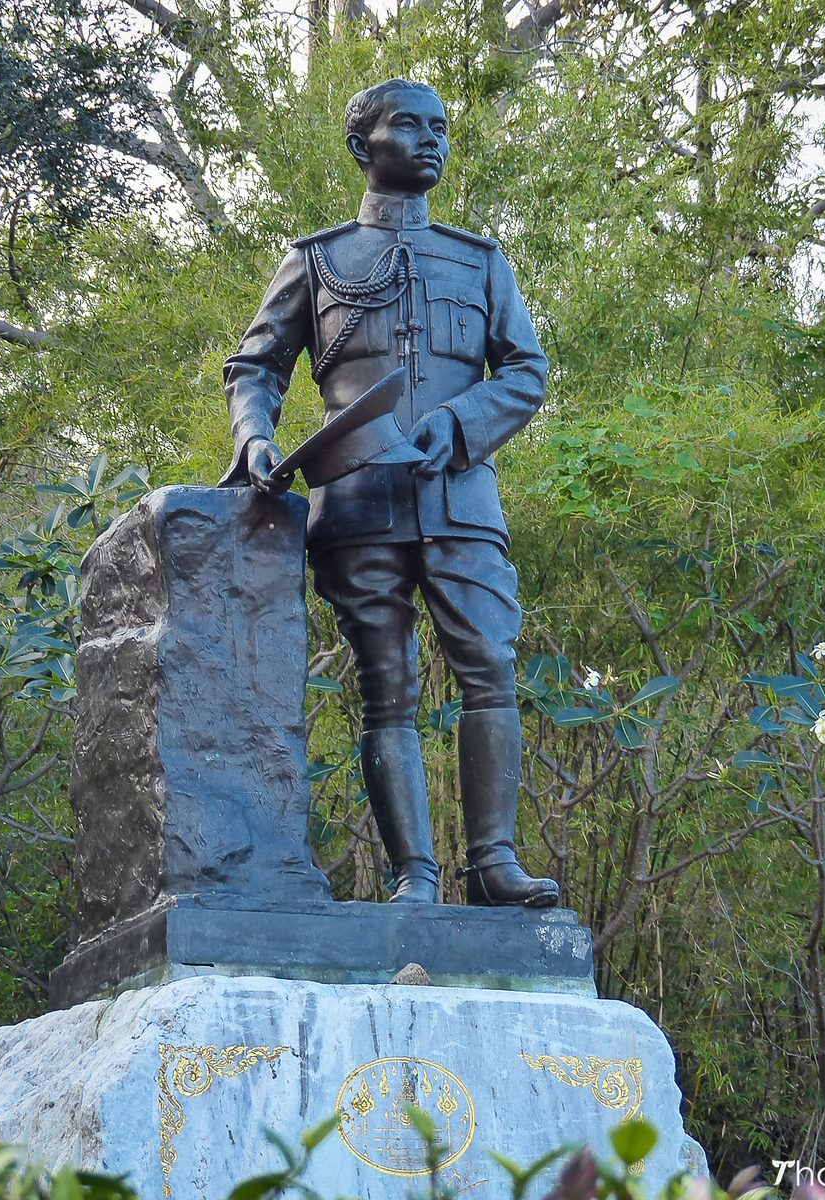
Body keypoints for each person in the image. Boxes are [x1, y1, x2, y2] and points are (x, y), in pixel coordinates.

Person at [219, 78, 558, 908]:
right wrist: (254, 438)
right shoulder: (316, 257)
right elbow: (254, 366)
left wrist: (463, 420)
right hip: (357, 502)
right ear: (361, 143)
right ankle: (415, 875)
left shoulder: (481, 260)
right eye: (410, 125)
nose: (432, 140)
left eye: (440, 127)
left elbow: (525, 370)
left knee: (488, 666)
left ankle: (494, 866)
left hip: (461, 498)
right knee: (386, 684)